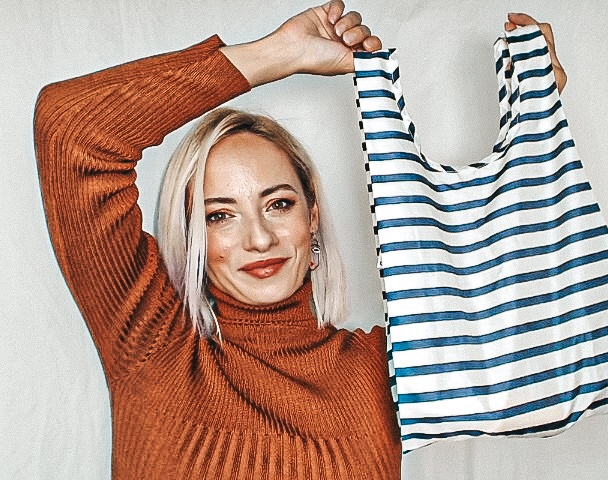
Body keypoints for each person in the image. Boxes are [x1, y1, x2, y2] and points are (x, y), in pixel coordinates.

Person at [34, 1, 565, 478]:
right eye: (221, 216)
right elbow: (70, 129)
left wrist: (536, 130)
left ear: (312, 217)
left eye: (278, 205)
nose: (259, 238)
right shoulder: (153, 345)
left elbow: (531, 342)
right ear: (193, 232)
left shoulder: (384, 370)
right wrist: (277, 55)